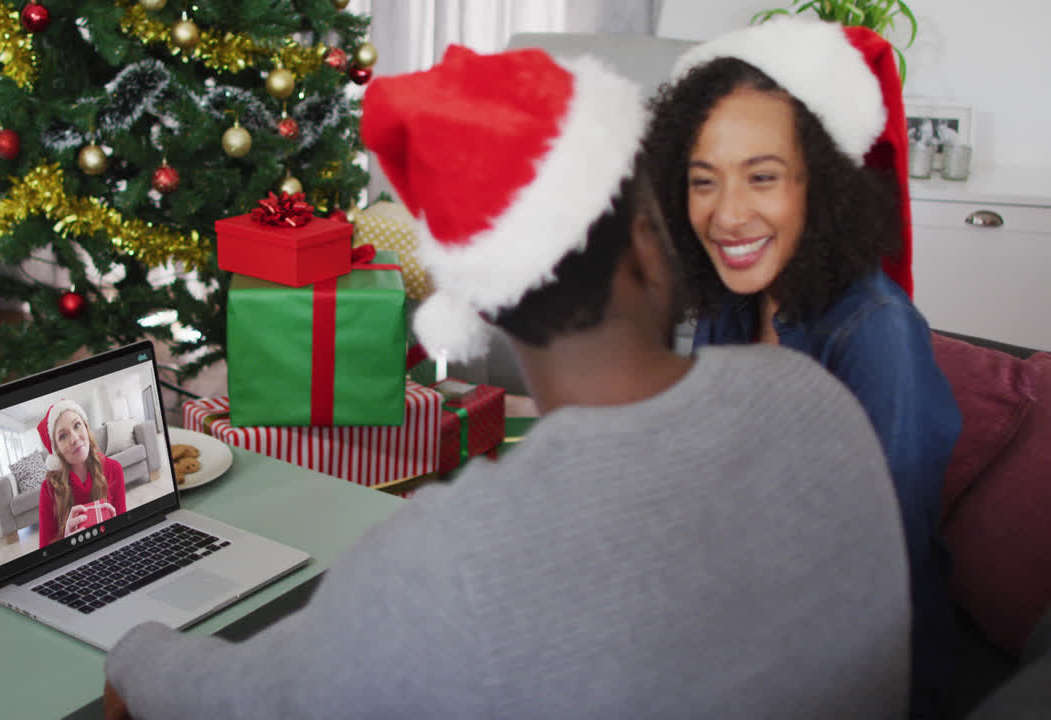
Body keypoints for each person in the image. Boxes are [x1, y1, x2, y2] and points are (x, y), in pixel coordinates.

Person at [104, 45, 912, 719]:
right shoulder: (814, 400)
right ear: (647, 244)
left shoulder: (449, 560)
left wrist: (134, 652)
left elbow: (240, 701)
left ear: (483, 304)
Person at [643, 18, 962, 718]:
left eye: (762, 177)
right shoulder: (735, 305)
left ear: (822, 184)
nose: (727, 215)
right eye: (703, 182)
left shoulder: (875, 332)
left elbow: (878, 570)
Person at [36, 399, 126, 547]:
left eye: (77, 425)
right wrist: (66, 541)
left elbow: (125, 531)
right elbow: (45, 552)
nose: (74, 439)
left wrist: (117, 528)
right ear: (57, 450)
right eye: (63, 436)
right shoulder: (49, 489)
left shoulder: (114, 469)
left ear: (86, 426)